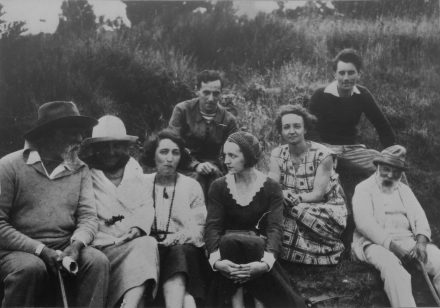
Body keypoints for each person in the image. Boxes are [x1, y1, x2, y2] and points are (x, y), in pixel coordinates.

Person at [0, 101, 109, 307]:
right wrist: (40, 249)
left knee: (97, 261)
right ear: (50, 134)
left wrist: (76, 245)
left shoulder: (80, 169)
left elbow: (88, 217)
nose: (80, 139)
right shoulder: (9, 166)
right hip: (16, 251)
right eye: (72, 132)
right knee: (30, 268)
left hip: (64, 247)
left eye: (80, 132)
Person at [205, 131, 306, 308]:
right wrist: (217, 262)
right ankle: (238, 304)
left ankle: (260, 303)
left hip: (259, 252)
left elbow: (275, 228)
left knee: (255, 243)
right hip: (228, 253)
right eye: (225, 155)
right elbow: (213, 226)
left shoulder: (271, 187)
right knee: (229, 241)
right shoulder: (219, 186)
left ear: (248, 156)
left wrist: (265, 264)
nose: (226, 161)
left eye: (233, 155)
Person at [80, 115, 159, 308]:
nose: (111, 152)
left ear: (125, 147)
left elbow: (146, 205)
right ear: (95, 149)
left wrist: (138, 227)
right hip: (98, 248)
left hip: (130, 245)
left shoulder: (134, 169)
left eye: (116, 145)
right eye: (104, 146)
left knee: (147, 244)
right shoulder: (85, 173)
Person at [352, 145, 440, 307]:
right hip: (374, 244)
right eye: (386, 169)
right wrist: (394, 248)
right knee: (395, 271)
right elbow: (365, 224)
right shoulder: (363, 188)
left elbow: (419, 217)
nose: (390, 175)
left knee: (438, 260)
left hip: (408, 240)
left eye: (396, 171)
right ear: (377, 166)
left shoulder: (404, 190)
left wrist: (421, 242)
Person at [269, 105, 347, 265]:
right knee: (274, 211)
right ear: (281, 131)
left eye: (297, 126)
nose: (292, 131)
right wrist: (281, 193)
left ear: (305, 129)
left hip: (324, 208)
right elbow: (272, 185)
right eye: (286, 127)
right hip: (290, 204)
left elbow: (318, 194)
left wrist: (293, 198)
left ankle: (327, 249)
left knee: (292, 212)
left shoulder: (323, 155)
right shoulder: (277, 154)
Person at [140, 129, 209, 308]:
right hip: (150, 249)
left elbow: (199, 230)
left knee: (179, 252)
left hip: (185, 251)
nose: (170, 158)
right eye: (163, 152)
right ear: (153, 155)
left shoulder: (191, 186)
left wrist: (172, 240)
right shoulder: (141, 183)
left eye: (175, 152)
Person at [309, 48, 395, 178]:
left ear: (359, 74)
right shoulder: (320, 95)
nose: (346, 78)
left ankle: (403, 198)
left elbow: (381, 124)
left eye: (351, 73)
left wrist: (391, 151)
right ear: (335, 74)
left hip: (353, 151)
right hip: (326, 150)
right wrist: (324, 150)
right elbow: (309, 129)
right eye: (342, 73)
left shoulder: (363, 94)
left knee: (392, 168)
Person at [168, 70, 238, 195]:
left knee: (218, 187)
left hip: (215, 170)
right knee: (194, 183)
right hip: (184, 166)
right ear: (197, 90)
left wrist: (216, 166)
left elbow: (233, 152)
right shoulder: (182, 110)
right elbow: (173, 144)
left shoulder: (228, 120)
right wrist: (195, 165)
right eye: (206, 92)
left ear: (221, 93)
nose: (211, 99)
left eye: (216, 94)